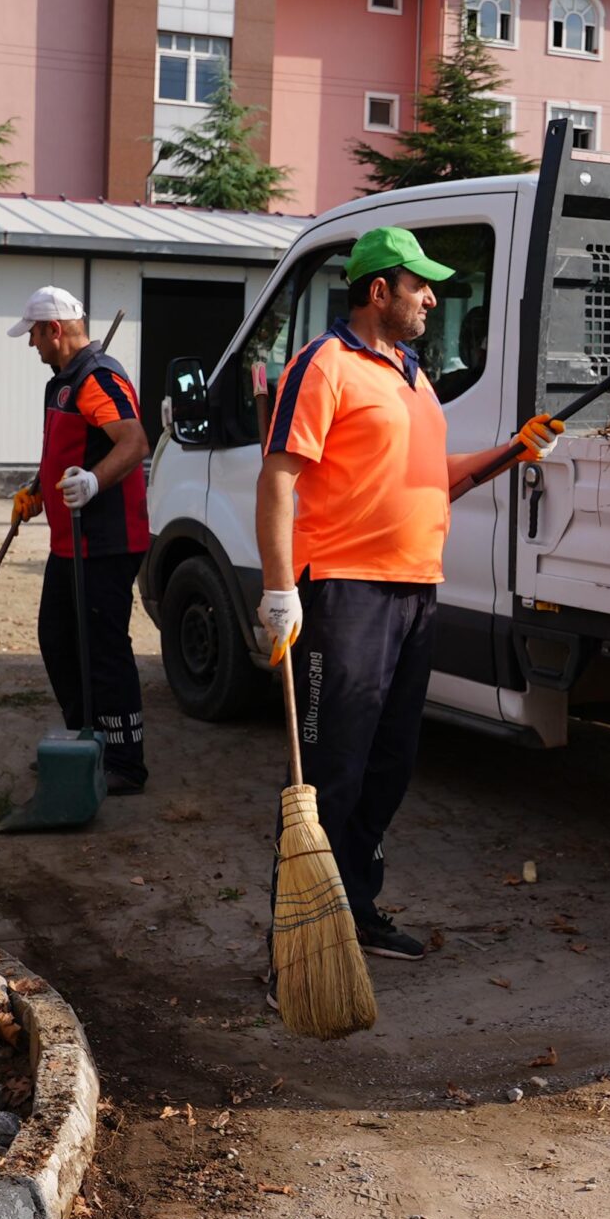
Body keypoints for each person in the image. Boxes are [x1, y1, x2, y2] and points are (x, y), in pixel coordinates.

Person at [254, 226, 560, 960]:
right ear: (377, 289)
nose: (432, 296)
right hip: (344, 596)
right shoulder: (324, 365)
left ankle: (355, 910)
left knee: (388, 767)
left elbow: (434, 476)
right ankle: (296, 948)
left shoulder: (413, 375)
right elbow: (278, 476)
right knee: (329, 775)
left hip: (417, 592)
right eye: (419, 284)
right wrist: (277, 589)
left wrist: (513, 450)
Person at [8, 287, 152, 794]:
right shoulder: (63, 382)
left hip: (108, 540)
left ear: (54, 330)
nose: (32, 347)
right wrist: (37, 491)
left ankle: (125, 762)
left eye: (33, 336)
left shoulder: (98, 378)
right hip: (70, 540)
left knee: (103, 648)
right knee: (58, 638)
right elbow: (68, 451)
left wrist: (92, 482)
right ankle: (82, 741)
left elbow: (134, 442)